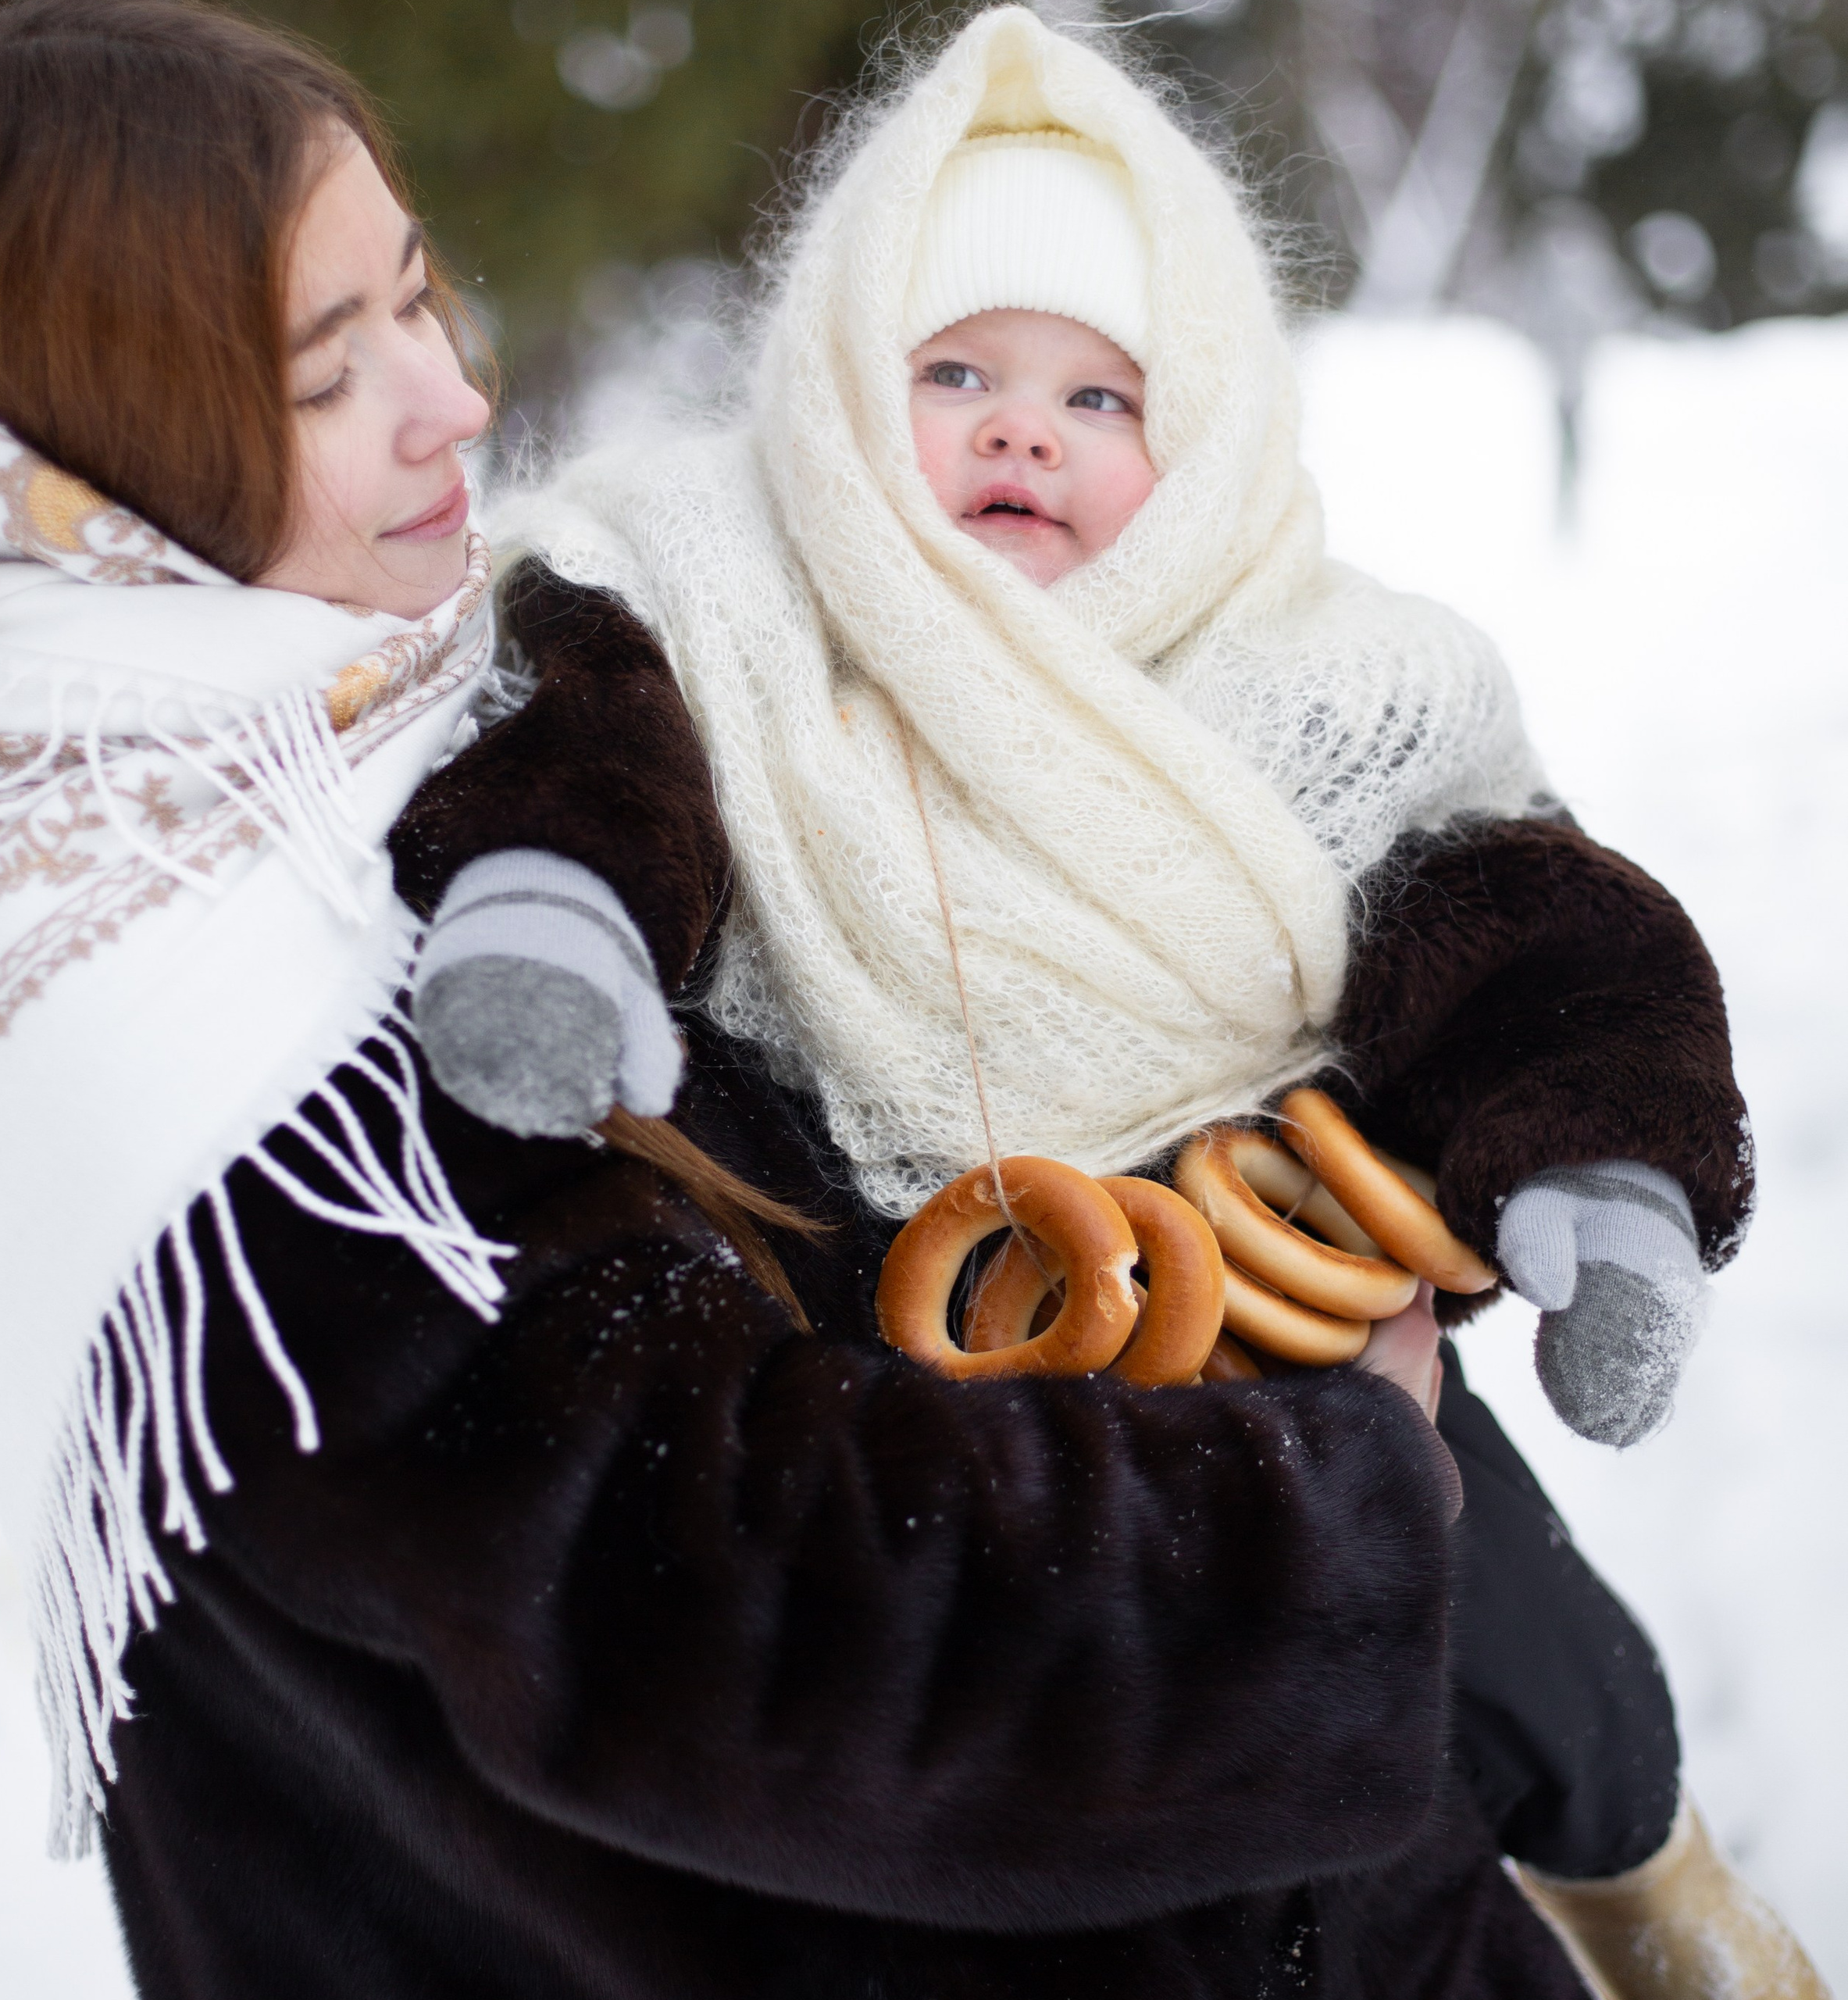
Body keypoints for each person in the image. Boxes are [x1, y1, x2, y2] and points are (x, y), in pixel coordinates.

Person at [402, 9, 1825, 1995]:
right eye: (954, 374)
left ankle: (1642, 1867)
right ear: (838, 385)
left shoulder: (1327, 676)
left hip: (1276, 1305)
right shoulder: (713, 603)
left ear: (1208, 432)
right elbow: (591, 766)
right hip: (889, 1337)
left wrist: (1604, 1159)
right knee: (1089, 1754)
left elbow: (1526, 925)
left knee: (1507, 1620)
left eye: (1097, 394)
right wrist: (554, 917)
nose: (1020, 432)